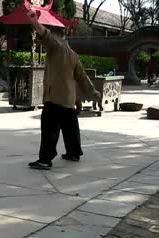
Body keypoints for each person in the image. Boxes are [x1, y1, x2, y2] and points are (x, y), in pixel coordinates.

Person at [26, 8, 100, 170]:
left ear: (56, 34)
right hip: (68, 98)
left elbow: (45, 36)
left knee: (49, 128)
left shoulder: (56, 46)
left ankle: (45, 159)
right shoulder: (73, 54)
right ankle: (73, 153)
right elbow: (82, 76)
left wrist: (34, 22)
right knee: (70, 126)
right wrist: (93, 91)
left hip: (55, 97)